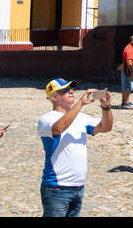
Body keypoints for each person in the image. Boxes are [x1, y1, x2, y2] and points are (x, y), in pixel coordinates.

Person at [38, 79, 113, 216]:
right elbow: (59, 127)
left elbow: (106, 127)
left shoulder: (81, 117)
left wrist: (106, 108)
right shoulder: (46, 118)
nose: (71, 91)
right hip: (56, 187)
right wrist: (80, 103)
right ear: (54, 97)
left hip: (78, 186)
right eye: (65, 90)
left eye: (71, 89)